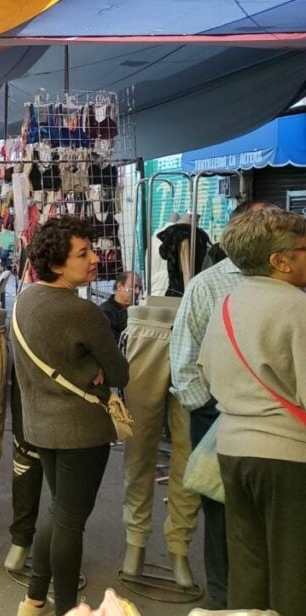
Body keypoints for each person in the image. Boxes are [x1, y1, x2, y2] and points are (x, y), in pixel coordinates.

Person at [12, 217, 129, 616]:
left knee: (59, 510)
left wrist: (90, 364)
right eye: (83, 254)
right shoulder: (83, 312)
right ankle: (66, 608)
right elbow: (120, 373)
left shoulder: (24, 300)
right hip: (81, 430)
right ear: (57, 265)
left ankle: (33, 599)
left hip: (41, 426)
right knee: (70, 519)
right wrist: (95, 366)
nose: (94, 259)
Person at [197, 208, 306, 615]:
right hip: (289, 456)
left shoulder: (227, 303)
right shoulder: (297, 307)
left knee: (248, 566)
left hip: (232, 450)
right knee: (294, 571)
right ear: (280, 261)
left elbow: (205, 370)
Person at [169, 199, 275, 609]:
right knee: (221, 512)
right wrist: (211, 411)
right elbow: (184, 364)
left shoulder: (290, 285)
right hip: (219, 418)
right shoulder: (206, 285)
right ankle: (224, 600)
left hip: (278, 424)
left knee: (274, 518)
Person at [99, 271, 141, 343]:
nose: (138, 292)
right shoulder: (105, 312)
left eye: (140, 288)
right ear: (119, 286)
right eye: (134, 287)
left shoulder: (139, 310)